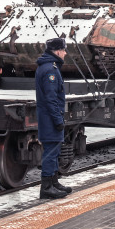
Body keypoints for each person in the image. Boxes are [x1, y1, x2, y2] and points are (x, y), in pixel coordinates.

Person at [35, 37, 71, 199]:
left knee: (54, 150)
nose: (65, 53)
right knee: (50, 152)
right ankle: (46, 187)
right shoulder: (50, 70)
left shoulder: (49, 67)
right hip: (49, 119)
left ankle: (54, 182)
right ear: (57, 51)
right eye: (63, 50)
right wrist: (58, 120)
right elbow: (51, 99)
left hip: (48, 118)